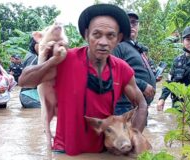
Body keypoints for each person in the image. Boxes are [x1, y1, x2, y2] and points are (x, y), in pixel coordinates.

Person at [18, 4, 148, 155]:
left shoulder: (122, 69)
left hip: (103, 151)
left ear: (118, 38)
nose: (103, 42)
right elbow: (24, 80)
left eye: (110, 36)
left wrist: (134, 137)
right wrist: (52, 61)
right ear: (86, 35)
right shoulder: (66, 60)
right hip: (65, 151)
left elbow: (142, 104)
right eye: (97, 34)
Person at [112, 11, 156, 115]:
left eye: (134, 23)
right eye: (127, 23)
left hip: (140, 105)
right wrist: (143, 85)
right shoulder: (118, 46)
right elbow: (113, 74)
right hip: (125, 106)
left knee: (138, 131)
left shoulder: (137, 47)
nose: (131, 26)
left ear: (139, 26)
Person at [19, 37, 41, 108]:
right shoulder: (34, 58)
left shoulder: (33, 55)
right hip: (29, 96)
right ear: (34, 45)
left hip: (29, 95)